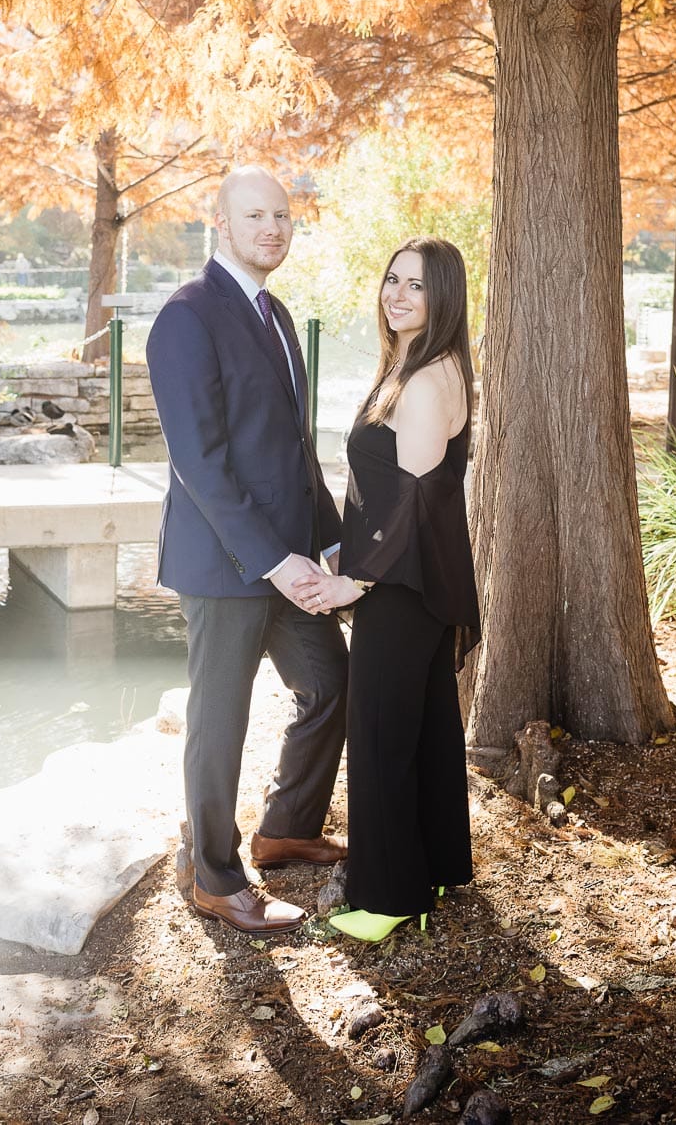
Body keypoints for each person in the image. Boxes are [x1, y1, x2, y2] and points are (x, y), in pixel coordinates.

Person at [146, 166, 349, 936]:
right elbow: (199, 462)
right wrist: (275, 560)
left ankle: (286, 827)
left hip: (290, 555)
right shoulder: (186, 316)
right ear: (221, 224)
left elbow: (292, 450)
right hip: (226, 564)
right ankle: (216, 877)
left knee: (333, 684)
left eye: (283, 217)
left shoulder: (278, 315)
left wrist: (328, 538)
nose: (273, 229)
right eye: (256, 216)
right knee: (219, 720)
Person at [293, 236, 481, 941]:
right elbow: (386, 493)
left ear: (443, 299)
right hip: (414, 580)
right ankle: (431, 867)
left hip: (403, 588)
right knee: (424, 729)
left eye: (417, 286)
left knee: (376, 737)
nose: (397, 295)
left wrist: (352, 584)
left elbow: (412, 504)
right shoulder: (415, 363)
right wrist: (346, 547)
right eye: (392, 280)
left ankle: (387, 899)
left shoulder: (430, 378)